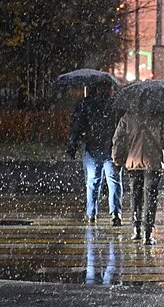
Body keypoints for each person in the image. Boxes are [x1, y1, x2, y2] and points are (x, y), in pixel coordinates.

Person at [111, 109, 164, 245]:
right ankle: (148, 232)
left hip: (133, 161)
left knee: (136, 195)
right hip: (153, 162)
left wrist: (117, 158)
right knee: (150, 196)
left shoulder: (128, 117)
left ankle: (136, 228)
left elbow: (118, 139)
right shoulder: (161, 116)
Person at [66, 83, 123, 226]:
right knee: (114, 180)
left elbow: (78, 125)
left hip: (92, 147)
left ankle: (92, 213)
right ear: (110, 89)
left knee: (93, 181)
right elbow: (122, 127)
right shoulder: (116, 105)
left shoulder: (87, 105)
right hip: (111, 147)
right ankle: (116, 213)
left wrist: (73, 143)